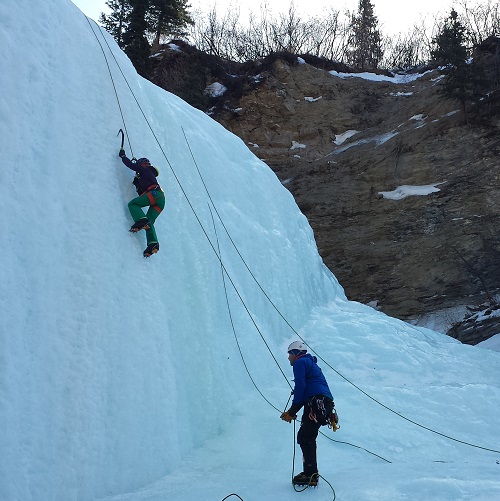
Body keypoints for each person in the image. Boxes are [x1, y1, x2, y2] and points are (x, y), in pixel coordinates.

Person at [280, 341, 334, 487]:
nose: (289, 357)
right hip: (321, 403)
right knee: (306, 436)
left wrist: (292, 411)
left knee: (306, 437)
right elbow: (306, 390)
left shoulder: (300, 362)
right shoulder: (310, 363)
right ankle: (310, 473)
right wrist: (294, 410)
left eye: (290, 354)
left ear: (296, 353)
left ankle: (311, 475)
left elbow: (301, 387)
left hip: (315, 402)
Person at [119, 148, 165, 258]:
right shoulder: (149, 175)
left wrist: (123, 157)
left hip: (154, 194)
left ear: (142, 164)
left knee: (133, 204)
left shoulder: (145, 168)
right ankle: (153, 243)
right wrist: (136, 183)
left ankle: (141, 221)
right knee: (149, 222)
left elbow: (131, 165)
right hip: (160, 199)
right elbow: (142, 195)